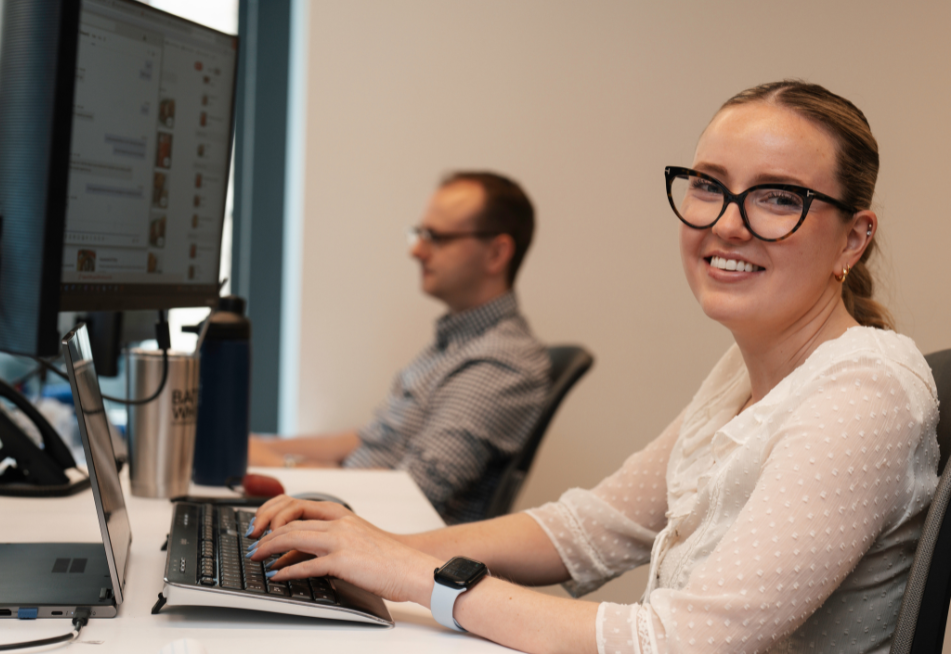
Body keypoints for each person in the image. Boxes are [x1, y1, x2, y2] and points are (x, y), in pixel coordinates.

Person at [246, 81, 940, 653]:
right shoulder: (747, 370)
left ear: (854, 236)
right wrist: (375, 546)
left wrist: (413, 572)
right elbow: (591, 527)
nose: (728, 222)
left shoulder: (865, 391)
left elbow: (681, 642)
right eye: (709, 184)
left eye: (779, 197)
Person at [249, 171, 551, 524]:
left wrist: (274, 465)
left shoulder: (501, 361)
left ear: (497, 254)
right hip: (350, 511)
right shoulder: (456, 341)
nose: (416, 250)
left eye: (436, 237)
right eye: (420, 233)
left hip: (380, 540)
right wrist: (262, 446)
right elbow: (370, 439)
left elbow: (410, 492)